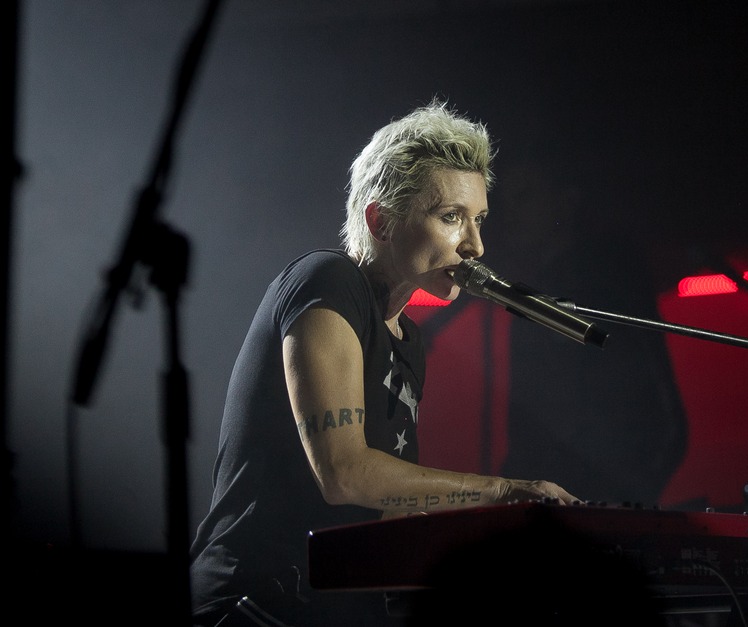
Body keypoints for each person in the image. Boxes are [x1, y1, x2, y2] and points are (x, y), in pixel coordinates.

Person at [189, 101, 580, 627]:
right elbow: (344, 474)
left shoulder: (407, 339)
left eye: (479, 219)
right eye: (451, 217)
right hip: (250, 607)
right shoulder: (328, 280)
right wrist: (504, 492)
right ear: (381, 220)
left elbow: (384, 502)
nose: (475, 245)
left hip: (331, 607)